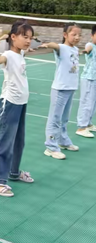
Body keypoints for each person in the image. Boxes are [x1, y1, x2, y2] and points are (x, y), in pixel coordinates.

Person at [0, 22, 35, 197]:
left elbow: (15, 45)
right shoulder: (9, 54)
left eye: (30, 38)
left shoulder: (20, 52)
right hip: (9, 103)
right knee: (3, 141)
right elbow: (0, 59)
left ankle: (13, 172)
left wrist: (27, 47)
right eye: (25, 37)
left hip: (21, 102)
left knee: (18, 141)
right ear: (14, 37)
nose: (28, 41)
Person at [41, 23, 81, 160]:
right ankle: (51, 147)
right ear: (65, 35)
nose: (77, 37)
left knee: (64, 118)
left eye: (79, 35)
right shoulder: (62, 48)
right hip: (60, 88)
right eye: (74, 34)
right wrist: (48, 44)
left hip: (71, 88)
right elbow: (55, 46)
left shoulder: (75, 49)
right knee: (55, 119)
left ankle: (63, 141)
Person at [75, 25, 96, 139]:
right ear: (92, 35)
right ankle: (81, 127)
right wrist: (84, 51)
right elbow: (88, 49)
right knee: (86, 102)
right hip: (88, 78)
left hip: (95, 79)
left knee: (92, 103)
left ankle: (88, 123)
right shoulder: (90, 45)